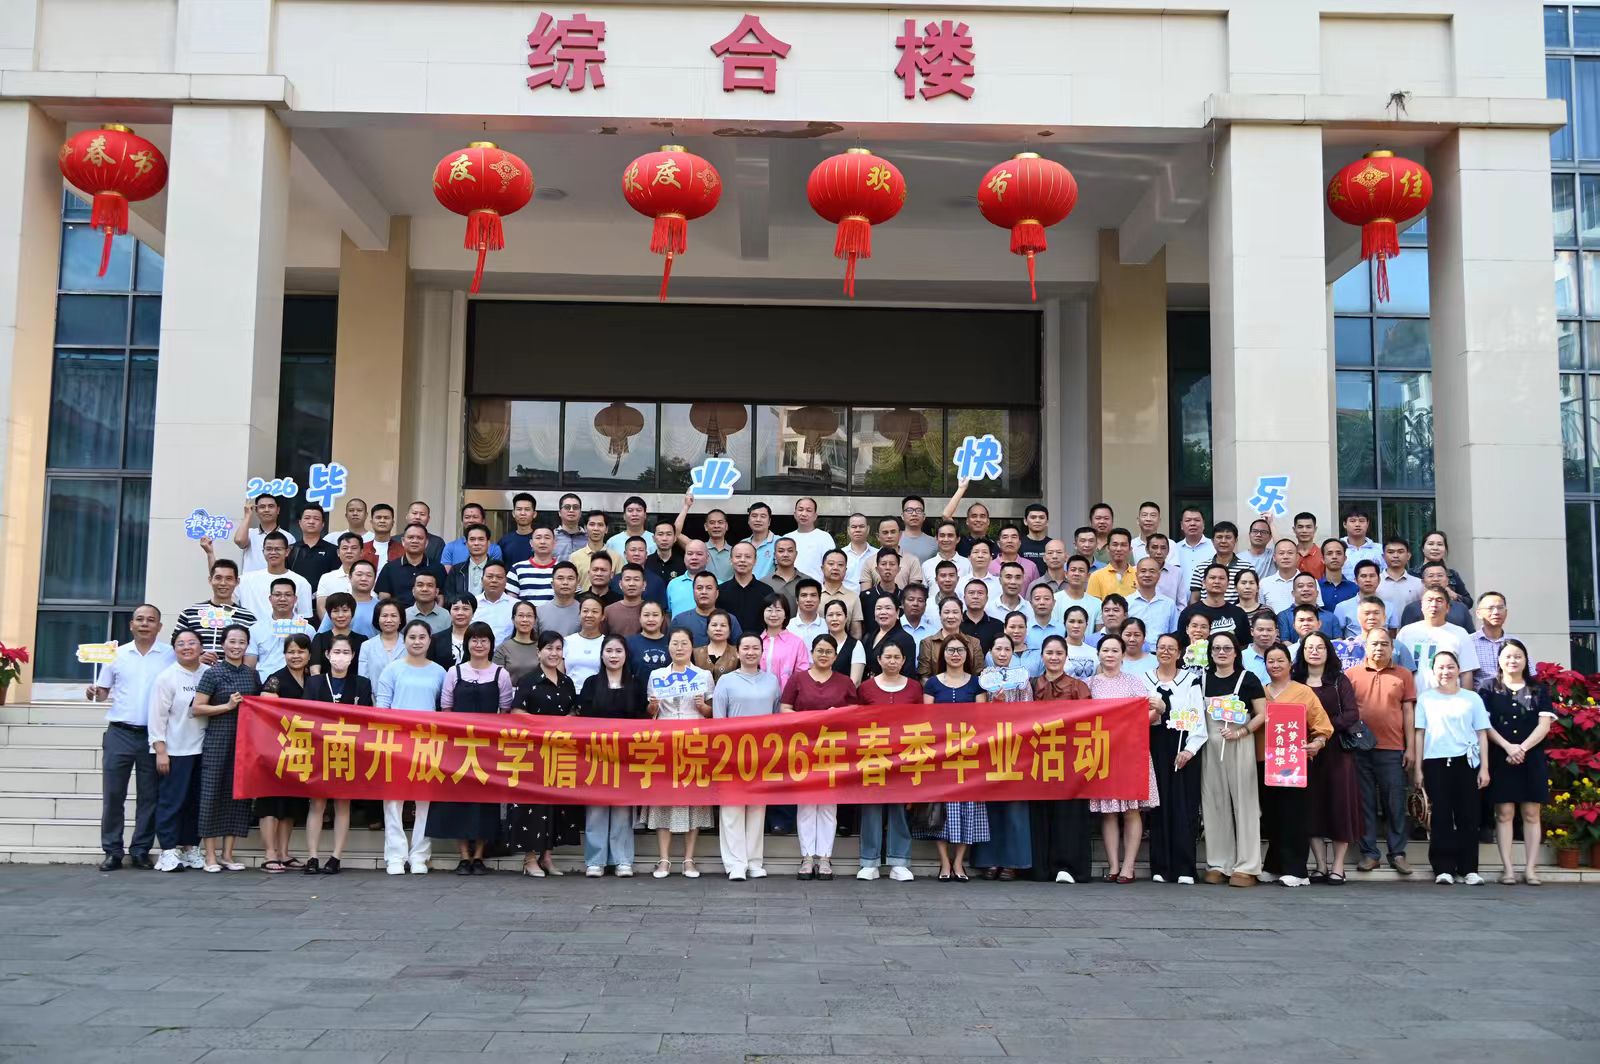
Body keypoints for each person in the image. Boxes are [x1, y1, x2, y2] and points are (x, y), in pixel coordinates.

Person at [86, 604, 173, 871]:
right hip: (120, 732)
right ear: (131, 624)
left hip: (153, 735)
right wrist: (94, 692)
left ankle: (140, 850)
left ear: (159, 626)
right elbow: (103, 691)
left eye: (151, 620)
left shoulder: (170, 655)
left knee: (149, 796)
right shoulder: (117, 654)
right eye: (140, 619)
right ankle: (112, 850)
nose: (145, 624)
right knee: (113, 795)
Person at [428, 622, 511, 876]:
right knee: (459, 801)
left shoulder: (501, 674)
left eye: (484, 640)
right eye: (474, 640)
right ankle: (464, 856)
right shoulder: (454, 672)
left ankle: (479, 856)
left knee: (485, 802)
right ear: (467, 643)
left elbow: (505, 711)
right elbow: (446, 707)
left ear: (491, 644)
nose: (479, 644)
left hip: (487, 748)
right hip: (459, 747)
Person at [779, 633, 858, 879]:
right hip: (803, 750)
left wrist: (837, 715)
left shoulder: (845, 682)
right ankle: (807, 857)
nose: (823, 655)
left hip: (834, 750)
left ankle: (825, 857)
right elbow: (785, 709)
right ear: (812, 653)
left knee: (828, 806)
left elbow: (855, 712)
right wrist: (807, 719)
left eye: (828, 652)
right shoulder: (798, 679)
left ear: (835, 656)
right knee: (805, 805)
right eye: (819, 651)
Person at [508, 631, 584, 876]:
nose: (554, 653)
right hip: (533, 753)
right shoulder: (528, 680)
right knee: (532, 805)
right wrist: (545, 726)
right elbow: (516, 712)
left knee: (556, 805)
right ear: (538, 652)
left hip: (560, 753)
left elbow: (574, 711)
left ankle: (547, 857)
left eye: (558, 649)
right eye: (549, 648)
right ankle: (530, 859)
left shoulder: (567, 682)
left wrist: (566, 721)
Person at [1413, 651, 1493, 885]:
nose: (1445, 672)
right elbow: (1419, 734)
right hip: (1436, 762)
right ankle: (1443, 868)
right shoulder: (1426, 698)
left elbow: (1482, 734)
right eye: (1440, 667)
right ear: (1433, 671)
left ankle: (1469, 869)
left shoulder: (1472, 698)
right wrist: (1418, 769)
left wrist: (1485, 768)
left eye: (1450, 667)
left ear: (1458, 670)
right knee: (1440, 816)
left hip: (1467, 761)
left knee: (1469, 815)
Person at [373, 621, 446, 874]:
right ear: (404, 640)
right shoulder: (392, 670)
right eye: (412, 637)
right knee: (394, 801)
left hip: (428, 743)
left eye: (422, 637)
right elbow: (382, 707)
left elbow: (443, 709)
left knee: (425, 801)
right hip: (397, 741)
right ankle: (395, 856)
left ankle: (419, 856)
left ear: (429, 640)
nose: (417, 641)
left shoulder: (439, 672)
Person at [1087, 634, 1160, 882]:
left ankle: (1129, 867)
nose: (1110, 655)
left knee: (1131, 810)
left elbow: (1152, 712)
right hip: (1102, 752)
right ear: (1098, 654)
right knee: (1108, 812)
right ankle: (1113, 866)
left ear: (1122, 655)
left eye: (1114, 650)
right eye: (1105, 650)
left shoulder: (1134, 682)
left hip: (1131, 751)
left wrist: (1133, 725)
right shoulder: (1089, 684)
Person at [1258, 643, 1332, 887]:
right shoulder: (1260, 693)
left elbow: (1322, 726)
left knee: (1294, 815)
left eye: (1280, 660)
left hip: (1294, 764)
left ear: (1290, 664)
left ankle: (1297, 870)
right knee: (1272, 817)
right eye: (1270, 661)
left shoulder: (1303, 692)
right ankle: (1274, 866)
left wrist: (1317, 743)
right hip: (1264, 764)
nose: (1275, 665)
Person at [1482, 639, 1555, 885]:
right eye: (1508, 656)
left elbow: (1544, 725)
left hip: (1531, 757)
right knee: (1504, 813)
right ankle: (1508, 869)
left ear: (1525, 660)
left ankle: (1531, 869)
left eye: (1518, 656)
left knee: (1532, 813)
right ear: (1499, 660)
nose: (1512, 661)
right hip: (1500, 756)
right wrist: (1508, 747)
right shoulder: (1488, 688)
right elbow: (1485, 725)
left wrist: (1522, 748)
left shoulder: (1538, 689)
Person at [1346, 626, 1418, 875]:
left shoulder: (1404, 674)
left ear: (1392, 648)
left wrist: (1410, 748)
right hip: (1360, 749)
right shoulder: (1351, 674)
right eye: (1374, 644)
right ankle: (1369, 854)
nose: (1379, 648)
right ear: (1365, 647)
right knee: (1364, 802)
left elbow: (1408, 712)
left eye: (1384, 644)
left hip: (1393, 748)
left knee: (1394, 803)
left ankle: (1397, 853)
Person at [1294, 632, 1365, 884]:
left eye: (1320, 647)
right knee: (1311, 808)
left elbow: (1352, 714)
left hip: (1337, 752)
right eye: (1309, 647)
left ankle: (1338, 866)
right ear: (1302, 652)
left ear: (1328, 651)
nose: (1314, 651)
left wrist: (1322, 729)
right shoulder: (1296, 681)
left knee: (1339, 807)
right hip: (1305, 752)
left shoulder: (1338, 680)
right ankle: (1320, 865)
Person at [1198, 630, 1267, 887]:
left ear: (1236, 652)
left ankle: (1247, 866)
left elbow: (1262, 714)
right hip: (1210, 748)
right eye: (1216, 648)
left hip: (1240, 744)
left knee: (1245, 804)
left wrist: (1242, 732)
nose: (1221, 652)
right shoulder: (1202, 680)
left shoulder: (1248, 679)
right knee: (1213, 804)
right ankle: (1219, 863)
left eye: (1227, 648)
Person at [711, 634, 782, 881]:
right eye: (746, 648)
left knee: (757, 809)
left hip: (762, 755)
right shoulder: (726, 681)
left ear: (762, 651)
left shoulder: (772, 681)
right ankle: (735, 863)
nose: (751, 652)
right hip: (731, 754)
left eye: (755, 648)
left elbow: (776, 717)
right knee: (732, 809)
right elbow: (718, 720)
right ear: (737, 652)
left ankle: (754, 861)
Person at [645, 629, 715, 878]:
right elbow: (650, 712)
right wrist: (652, 707)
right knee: (663, 798)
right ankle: (664, 859)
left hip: (694, 742)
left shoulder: (703, 675)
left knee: (693, 800)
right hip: (664, 742)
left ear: (691, 647)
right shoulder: (657, 675)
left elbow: (712, 712)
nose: (679, 648)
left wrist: (703, 707)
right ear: (668, 647)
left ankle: (689, 859)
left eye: (684, 643)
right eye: (675, 643)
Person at [576, 634, 648, 877]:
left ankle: (622, 860)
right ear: (601, 654)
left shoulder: (635, 684)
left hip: (625, 756)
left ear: (626, 655)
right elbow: (584, 717)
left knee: (622, 808)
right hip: (596, 754)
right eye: (609, 651)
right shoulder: (591, 683)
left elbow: (642, 718)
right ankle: (595, 861)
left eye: (618, 651)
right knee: (596, 808)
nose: (614, 656)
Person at [301, 633, 371, 874]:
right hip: (319, 750)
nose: (341, 657)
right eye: (337, 652)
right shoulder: (315, 682)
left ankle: (335, 857)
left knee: (343, 804)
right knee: (317, 804)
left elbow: (366, 719)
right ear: (327, 655)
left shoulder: (362, 683)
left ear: (353, 656)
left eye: (346, 652)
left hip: (348, 751)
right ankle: (312, 857)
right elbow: (306, 716)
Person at [919, 638, 989, 880]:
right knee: (941, 810)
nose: (955, 654)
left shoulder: (977, 684)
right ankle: (944, 863)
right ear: (943, 654)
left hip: (969, 755)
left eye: (960, 650)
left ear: (967, 654)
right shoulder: (932, 684)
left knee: (969, 809)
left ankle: (959, 862)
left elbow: (982, 719)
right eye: (950, 650)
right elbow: (927, 720)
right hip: (941, 754)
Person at [190, 624, 259, 873]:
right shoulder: (212, 673)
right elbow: (197, 708)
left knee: (238, 796)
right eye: (232, 641)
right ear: (223, 644)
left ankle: (227, 854)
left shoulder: (251, 674)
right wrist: (227, 706)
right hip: (218, 739)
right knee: (212, 795)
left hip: (244, 742)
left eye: (241, 642)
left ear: (247, 645)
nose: (236, 646)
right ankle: (209, 855)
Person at [854, 641, 923, 881]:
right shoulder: (866, 688)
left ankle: (899, 862)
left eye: (897, 657)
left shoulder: (914, 688)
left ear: (904, 660)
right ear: (879, 660)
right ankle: (869, 862)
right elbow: (857, 721)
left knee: (899, 808)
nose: (892, 661)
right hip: (873, 754)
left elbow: (922, 721)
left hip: (904, 756)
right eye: (888, 657)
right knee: (871, 808)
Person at [1143, 633, 1207, 884]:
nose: (1166, 652)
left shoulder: (1190, 680)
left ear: (1179, 653)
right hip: (1154, 747)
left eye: (1171, 648)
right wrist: (1157, 712)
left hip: (1183, 748)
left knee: (1183, 808)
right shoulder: (1144, 680)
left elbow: (1197, 717)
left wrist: (1189, 750)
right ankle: (1160, 867)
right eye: (1161, 647)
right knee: (1158, 808)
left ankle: (1184, 868)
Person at [1028, 636, 1093, 883]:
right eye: (1049, 653)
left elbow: (1088, 720)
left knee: (1068, 814)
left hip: (1069, 759)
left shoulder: (1078, 687)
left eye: (1059, 653)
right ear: (1042, 656)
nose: (1054, 658)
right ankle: (1040, 867)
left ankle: (1067, 866)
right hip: (1037, 759)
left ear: (1066, 657)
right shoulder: (1030, 685)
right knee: (1040, 813)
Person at [147, 629, 208, 873]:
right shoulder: (167, 677)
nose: (187, 647)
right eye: (181, 644)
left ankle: (191, 847)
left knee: (196, 802)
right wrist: (160, 750)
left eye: (192, 643)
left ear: (201, 647)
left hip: (203, 748)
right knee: (172, 802)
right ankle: (168, 850)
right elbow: (157, 717)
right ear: (174, 649)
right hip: (175, 750)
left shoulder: (209, 674)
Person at [974, 635, 1034, 880]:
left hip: (1016, 747)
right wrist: (994, 705)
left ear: (1013, 652)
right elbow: (976, 715)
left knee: (1015, 806)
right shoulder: (983, 679)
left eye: (1007, 649)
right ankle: (989, 860)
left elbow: (1029, 713)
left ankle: (1013, 861)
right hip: (988, 748)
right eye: (998, 648)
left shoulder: (1022, 678)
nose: (1002, 653)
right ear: (990, 652)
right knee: (989, 806)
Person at [178, 558, 258, 664]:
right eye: (218, 578)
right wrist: (196, 661)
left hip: (233, 674)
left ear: (237, 581)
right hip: (196, 672)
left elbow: (253, 652)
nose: (223, 583)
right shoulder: (189, 613)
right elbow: (176, 646)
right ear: (210, 580)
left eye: (229, 578)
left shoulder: (248, 618)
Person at [1398, 588, 1475, 691]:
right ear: (1421, 606)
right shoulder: (1406, 632)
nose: (1433, 604)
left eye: (1439, 600)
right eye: (1429, 600)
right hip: (1411, 697)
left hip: (1448, 698)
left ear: (1447, 608)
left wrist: (1465, 698)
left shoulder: (1460, 633)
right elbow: (1397, 667)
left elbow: (1466, 672)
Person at [236, 531, 312, 621]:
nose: (273, 552)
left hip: (287, 629)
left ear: (287, 552)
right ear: (263, 551)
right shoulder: (244, 580)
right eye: (269, 549)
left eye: (278, 549)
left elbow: (305, 617)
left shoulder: (301, 582)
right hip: (250, 629)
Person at [375, 523, 448, 609]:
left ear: (426, 542)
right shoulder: (389, 568)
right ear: (403, 541)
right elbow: (384, 599)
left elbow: (441, 598)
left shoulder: (438, 568)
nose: (414, 541)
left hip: (429, 615)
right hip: (399, 616)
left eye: (419, 538)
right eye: (410, 537)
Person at [1178, 563, 1252, 642]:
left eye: (1221, 578)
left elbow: (1245, 644)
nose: (1217, 581)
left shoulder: (1239, 613)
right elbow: (1181, 643)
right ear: (1203, 583)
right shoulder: (1188, 612)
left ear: (1228, 584)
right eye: (1212, 578)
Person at [1399, 562, 1478, 631]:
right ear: (1423, 581)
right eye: (1431, 576)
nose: (1436, 579)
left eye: (1440, 575)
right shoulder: (1411, 608)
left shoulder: (1461, 608)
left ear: (1447, 580)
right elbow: (1404, 637)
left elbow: (1470, 636)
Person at [918, 597, 982, 679]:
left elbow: (979, 674)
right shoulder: (928, 643)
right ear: (940, 615)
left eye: (955, 612)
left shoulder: (974, 643)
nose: (951, 616)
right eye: (946, 612)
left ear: (961, 616)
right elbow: (924, 676)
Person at [757, 593, 810, 688]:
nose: (773, 614)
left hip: (786, 695)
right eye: (769, 610)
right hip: (758, 694)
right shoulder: (757, 642)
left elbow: (802, 675)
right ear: (763, 613)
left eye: (778, 610)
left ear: (785, 614)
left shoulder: (796, 643)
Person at [234, 492, 295, 572]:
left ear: (278, 510)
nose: (266, 510)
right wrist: (247, 515)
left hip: (277, 579)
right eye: (262, 507)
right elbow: (239, 541)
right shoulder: (249, 533)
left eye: (271, 506)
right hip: (251, 579)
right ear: (256, 511)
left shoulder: (288, 537)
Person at [287, 502, 340, 594]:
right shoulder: (291, 550)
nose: (311, 522)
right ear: (300, 523)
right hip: (295, 598)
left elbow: (335, 578)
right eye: (307, 518)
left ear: (323, 524)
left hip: (323, 599)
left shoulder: (333, 550)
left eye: (316, 518)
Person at [861, 595, 915, 682]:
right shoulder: (868, 636)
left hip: (892, 686)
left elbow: (908, 673)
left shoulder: (905, 639)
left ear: (897, 612)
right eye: (879, 608)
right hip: (868, 686)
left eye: (888, 608)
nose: (883, 612)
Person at [1414, 530, 1472, 605]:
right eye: (1430, 544)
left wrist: (1453, 595)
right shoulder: (1412, 574)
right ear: (1423, 548)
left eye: (1440, 544)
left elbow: (1469, 602)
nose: (1435, 548)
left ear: (1445, 549)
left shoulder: (1452, 574)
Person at [1274, 572, 1338, 641]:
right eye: (1300, 586)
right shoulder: (1283, 616)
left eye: (1310, 586)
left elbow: (1338, 640)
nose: (1306, 589)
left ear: (1317, 593)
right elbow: (1284, 642)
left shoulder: (1330, 617)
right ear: (1293, 593)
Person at [492, 600, 543, 684]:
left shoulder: (542, 647)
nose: (525, 619)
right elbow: (497, 680)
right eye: (521, 615)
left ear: (535, 620)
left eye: (529, 616)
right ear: (513, 619)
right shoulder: (502, 649)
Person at [1127, 557, 1179, 638]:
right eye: (1143, 571)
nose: (1147, 575)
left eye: (1152, 571)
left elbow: (1174, 634)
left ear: (1159, 575)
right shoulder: (1127, 602)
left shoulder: (1169, 604)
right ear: (1136, 575)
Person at [1469, 591, 1511, 690]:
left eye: (1500, 608)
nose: (1496, 612)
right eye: (1490, 608)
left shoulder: (1515, 643)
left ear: (1506, 613)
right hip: (1480, 696)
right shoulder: (1468, 642)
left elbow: (1529, 674)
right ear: (1478, 613)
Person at [787, 497, 837, 580]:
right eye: (800, 510)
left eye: (808, 510)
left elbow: (831, 566)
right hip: (790, 586)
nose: (804, 514)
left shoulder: (824, 537)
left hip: (816, 586)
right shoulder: (787, 538)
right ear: (795, 514)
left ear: (815, 516)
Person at [1378, 537, 1424, 626]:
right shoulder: (1375, 582)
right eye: (1391, 552)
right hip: (1382, 631)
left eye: (1400, 552)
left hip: (1411, 631)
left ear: (1408, 556)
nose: (1395, 555)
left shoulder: (1419, 584)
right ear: (1383, 556)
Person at [442, 521, 499, 593]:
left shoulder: (498, 570)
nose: (476, 543)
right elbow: (449, 595)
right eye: (472, 539)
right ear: (466, 544)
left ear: (488, 543)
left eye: (481, 539)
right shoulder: (456, 570)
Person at [563, 596, 607, 689]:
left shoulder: (607, 643)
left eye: (595, 611)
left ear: (602, 616)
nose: (589, 615)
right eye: (585, 611)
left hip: (598, 693)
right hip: (570, 692)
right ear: (579, 614)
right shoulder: (567, 641)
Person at [359, 600, 407, 681]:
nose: (389, 620)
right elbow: (363, 678)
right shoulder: (367, 646)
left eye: (393, 616)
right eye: (384, 616)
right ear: (377, 619)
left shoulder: (409, 644)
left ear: (400, 620)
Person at [509, 527, 560, 603]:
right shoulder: (517, 569)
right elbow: (511, 601)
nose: (542, 542)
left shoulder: (563, 569)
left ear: (554, 543)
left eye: (547, 538)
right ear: (531, 543)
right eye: (538, 538)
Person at [472, 560, 517, 645]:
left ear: (506, 581)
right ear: (482, 580)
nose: (494, 580)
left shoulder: (516, 606)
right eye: (489, 576)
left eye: (499, 577)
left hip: (507, 652)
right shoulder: (472, 604)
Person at [822, 598, 865, 685]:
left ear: (846, 618)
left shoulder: (856, 645)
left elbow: (855, 682)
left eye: (839, 614)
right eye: (830, 615)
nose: (834, 618)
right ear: (825, 619)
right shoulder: (820, 644)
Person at [1171, 507, 1214, 593]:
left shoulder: (1214, 546)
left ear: (1204, 524)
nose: (1192, 523)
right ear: (1181, 525)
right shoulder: (1174, 548)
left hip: (1208, 598)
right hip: (1180, 599)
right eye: (1188, 520)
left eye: (1197, 520)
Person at [1087, 528, 1137, 601]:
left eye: (1123, 545)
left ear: (1130, 549)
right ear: (1108, 548)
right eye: (1115, 545)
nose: (1119, 549)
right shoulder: (1096, 576)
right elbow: (1093, 605)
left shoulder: (1139, 575)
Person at [535, 562, 583, 636]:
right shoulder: (539, 612)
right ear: (552, 584)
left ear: (577, 583)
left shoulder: (584, 612)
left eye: (570, 578)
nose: (565, 582)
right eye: (560, 578)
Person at [690, 610, 740, 682]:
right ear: (707, 629)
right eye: (714, 625)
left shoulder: (738, 653)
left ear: (730, 630)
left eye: (723, 625)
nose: (718, 629)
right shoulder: (694, 653)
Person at [625, 600, 671, 675]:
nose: (651, 619)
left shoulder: (671, 642)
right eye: (646, 615)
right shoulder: (629, 642)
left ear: (662, 618)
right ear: (640, 618)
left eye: (655, 615)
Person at [603, 562, 648, 637]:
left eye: (636, 579)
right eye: (627, 579)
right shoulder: (608, 611)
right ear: (620, 584)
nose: (631, 584)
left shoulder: (652, 611)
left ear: (644, 585)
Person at [497, 492, 539, 567]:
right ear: (513, 513)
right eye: (519, 509)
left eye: (527, 509)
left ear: (534, 514)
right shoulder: (504, 541)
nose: (523, 513)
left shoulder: (540, 540)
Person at [1318, 539, 1357, 614]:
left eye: (1339, 553)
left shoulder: (1354, 588)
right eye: (1329, 553)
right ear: (1323, 559)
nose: (1334, 557)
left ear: (1345, 559)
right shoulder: (1316, 587)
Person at [763, 536, 802, 609]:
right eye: (781, 551)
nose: (785, 555)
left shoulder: (807, 581)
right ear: (774, 555)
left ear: (796, 554)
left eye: (790, 551)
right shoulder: (764, 583)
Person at [897, 494, 938, 563]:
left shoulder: (934, 543)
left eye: (918, 510)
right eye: (909, 510)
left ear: (924, 516)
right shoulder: (893, 540)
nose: (914, 514)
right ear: (902, 516)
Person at [743, 501, 779, 579]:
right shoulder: (742, 544)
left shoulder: (779, 542)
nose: (758, 519)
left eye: (763, 516)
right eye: (754, 516)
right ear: (748, 520)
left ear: (769, 522)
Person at [362, 503, 398, 574]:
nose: (382, 521)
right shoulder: (362, 549)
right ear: (371, 522)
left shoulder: (402, 550)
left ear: (393, 523)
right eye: (378, 517)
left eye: (386, 518)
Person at [551, 493, 586, 561]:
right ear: (559, 513)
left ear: (580, 513)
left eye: (575, 507)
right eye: (567, 507)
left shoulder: (589, 538)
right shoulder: (551, 537)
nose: (571, 510)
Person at [1291, 511, 1324, 580]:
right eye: (1300, 527)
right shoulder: (1289, 554)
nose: (1304, 531)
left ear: (1315, 529)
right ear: (1294, 530)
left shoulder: (1323, 555)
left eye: (1308, 527)